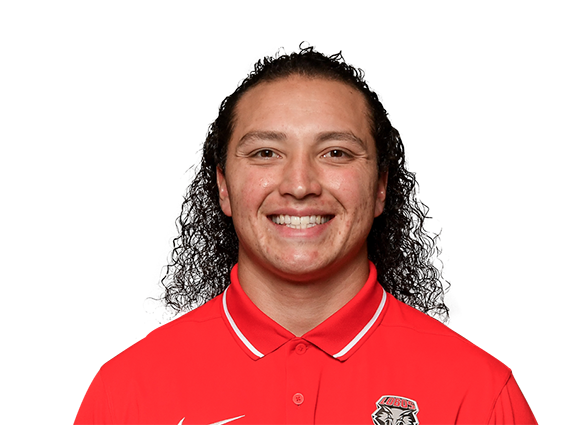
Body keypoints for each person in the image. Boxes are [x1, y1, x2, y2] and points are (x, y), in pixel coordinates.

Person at [76, 45, 537, 424]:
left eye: (336, 153)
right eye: (265, 153)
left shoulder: (478, 393)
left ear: (380, 187)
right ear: (223, 187)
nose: (299, 185)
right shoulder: (126, 390)